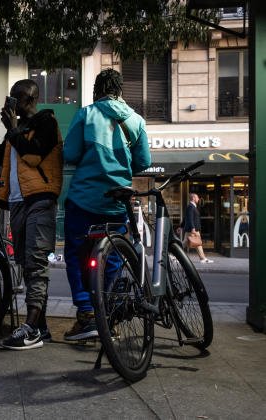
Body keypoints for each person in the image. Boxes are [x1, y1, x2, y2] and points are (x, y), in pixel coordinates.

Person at [62, 69, 151, 341]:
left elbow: (70, 154)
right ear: (120, 91)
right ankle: (108, 315)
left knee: (78, 256)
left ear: (96, 91)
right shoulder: (136, 120)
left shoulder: (86, 115)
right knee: (112, 256)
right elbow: (144, 162)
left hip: (84, 200)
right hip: (116, 203)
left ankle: (87, 315)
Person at [0, 79, 63, 350]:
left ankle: (30, 330)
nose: (12, 102)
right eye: (10, 97)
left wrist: (13, 130)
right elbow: (0, 156)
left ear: (29, 100)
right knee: (27, 265)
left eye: (17, 97)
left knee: (37, 261)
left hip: (40, 198)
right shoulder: (15, 131)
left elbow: (34, 156)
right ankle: (40, 327)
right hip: (17, 202)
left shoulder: (46, 122)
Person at [183, 193, 213, 263]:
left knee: (187, 243)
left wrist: (181, 226)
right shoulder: (191, 206)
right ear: (193, 198)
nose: (198, 199)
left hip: (192, 229)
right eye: (197, 197)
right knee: (198, 243)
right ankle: (203, 258)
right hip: (193, 229)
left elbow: (186, 218)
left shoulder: (192, 206)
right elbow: (190, 218)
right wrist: (193, 228)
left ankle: (203, 258)